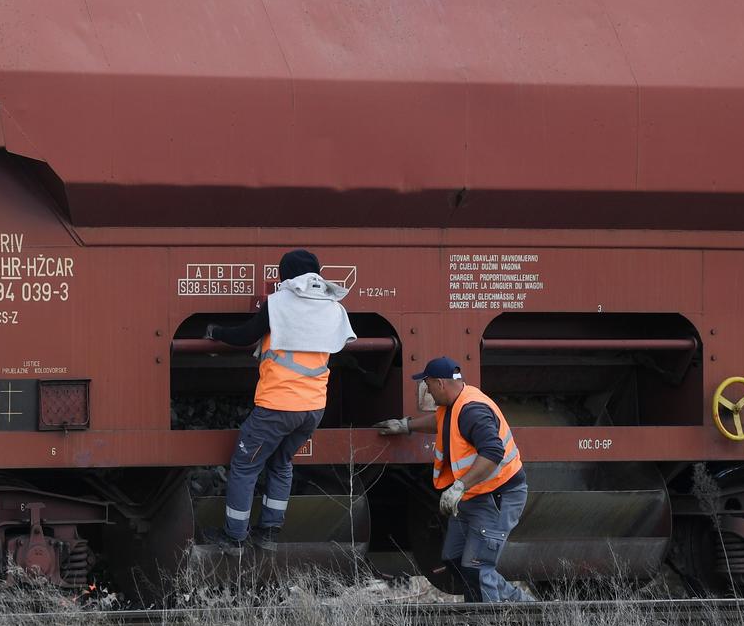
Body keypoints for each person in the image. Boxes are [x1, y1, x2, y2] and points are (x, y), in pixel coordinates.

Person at [203, 249, 355, 554]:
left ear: (286, 274)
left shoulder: (279, 303)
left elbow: (246, 334)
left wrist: (215, 331)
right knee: (282, 463)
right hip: (313, 408)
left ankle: (234, 537)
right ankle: (269, 533)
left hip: (278, 405)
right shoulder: (332, 306)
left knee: (245, 466)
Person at [373, 356, 533, 602]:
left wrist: (459, 486)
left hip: (496, 496)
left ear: (440, 383)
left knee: (477, 566)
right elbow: (441, 421)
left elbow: (492, 453)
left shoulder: (472, 410)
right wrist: (407, 426)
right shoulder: (455, 403)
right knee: (455, 560)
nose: (427, 390)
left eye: (428, 385)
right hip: (475, 494)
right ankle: (518, 605)